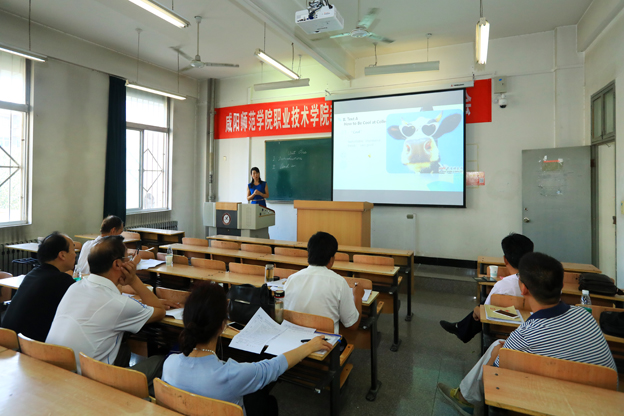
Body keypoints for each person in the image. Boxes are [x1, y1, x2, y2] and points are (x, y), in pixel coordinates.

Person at [437, 252, 616, 416]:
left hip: (548, 404)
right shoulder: (585, 316)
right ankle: (464, 396)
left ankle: (464, 398)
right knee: (501, 347)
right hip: (602, 405)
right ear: (561, 286)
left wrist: (497, 355)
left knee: (497, 348)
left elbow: (494, 377)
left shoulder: (525, 333)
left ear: (523, 289)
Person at [162, 282, 331, 416]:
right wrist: (309, 346)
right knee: (268, 403)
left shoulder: (169, 364)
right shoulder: (231, 375)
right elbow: (273, 367)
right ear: (222, 326)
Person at [46, 235, 167, 388]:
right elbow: (160, 311)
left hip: (56, 374)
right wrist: (134, 280)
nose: (130, 262)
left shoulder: (75, 287)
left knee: (123, 348)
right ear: (117, 264)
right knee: (162, 361)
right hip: (88, 383)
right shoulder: (119, 304)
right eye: (127, 258)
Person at [439, 232, 534, 343]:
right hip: (532, 330)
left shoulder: (502, 285)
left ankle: (461, 329)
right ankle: (460, 328)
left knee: (482, 305)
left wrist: (477, 310)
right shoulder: (541, 281)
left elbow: (485, 313)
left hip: (502, 331)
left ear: (505, 260)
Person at [283, 231, 364, 334]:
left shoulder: (292, 279)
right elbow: (352, 325)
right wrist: (357, 296)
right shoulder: (339, 283)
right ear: (331, 259)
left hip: (292, 339)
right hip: (324, 342)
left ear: (309, 254)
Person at [2, 232, 76, 342]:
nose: (75, 255)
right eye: (73, 250)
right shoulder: (62, 280)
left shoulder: (33, 273)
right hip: (27, 345)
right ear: (62, 255)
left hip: (7, 337)